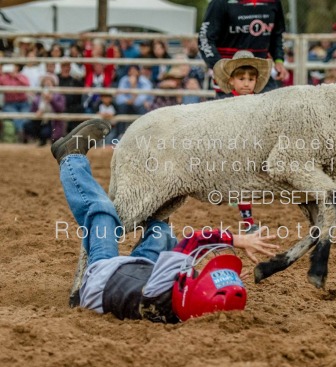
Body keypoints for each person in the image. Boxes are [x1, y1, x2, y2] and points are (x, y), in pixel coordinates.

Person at [51, 119, 279, 321]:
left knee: (101, 211)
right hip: (139, 275)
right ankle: (154, 203)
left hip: (101, 277)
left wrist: (237, 240)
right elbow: (196, 292)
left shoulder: (162, 286)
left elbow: (194, 240)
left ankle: (71, 158)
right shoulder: (182, 310)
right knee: (162, 231)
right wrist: (226, 281)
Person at [213, 51, 272, 232]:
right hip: (230, 150)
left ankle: (245, 217)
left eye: (251, 79)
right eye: (241, 78)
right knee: (242, 185)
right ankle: (248, 223)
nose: (246, 83)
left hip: (253, 149)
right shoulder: (224, 103)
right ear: (231, 81)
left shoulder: (261, 102)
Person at [198, 0, 288, 97]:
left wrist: (279, 60)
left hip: (260, 75)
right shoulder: (220, 3)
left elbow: (277, 34)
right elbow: (205, 38)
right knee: (230, 111)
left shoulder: (273, 2)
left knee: (269, 110)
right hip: (229, 78)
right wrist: (219, 67)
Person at [24, 73, 66, 145]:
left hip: (53, 122)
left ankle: (47, 141)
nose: (47, 83)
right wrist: (37, 112)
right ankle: (36, 139)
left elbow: (61, 108)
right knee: (27, 126)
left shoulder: (59, 95)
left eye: (50, 81)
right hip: (40, 121)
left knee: (45, 132)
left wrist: (51, 100)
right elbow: (32, 110)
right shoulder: (38, 97)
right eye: (45, 81)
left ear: (53, 84)